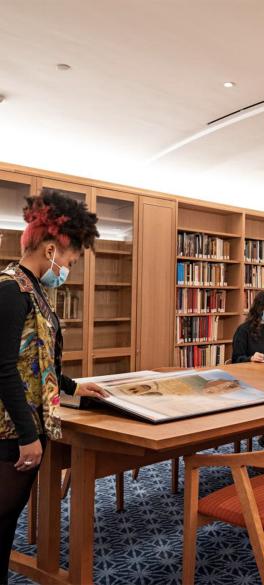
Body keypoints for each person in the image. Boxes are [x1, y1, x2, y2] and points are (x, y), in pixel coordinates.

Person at [0, 190, 107, 581]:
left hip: (28, 425)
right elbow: (4, 368)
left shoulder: (34, 290)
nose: (67, 270)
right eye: (70, 261)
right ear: (50, 250)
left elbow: (38, 360)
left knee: (7, 520)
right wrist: (28, 436)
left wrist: (74, 387)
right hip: (11, 431)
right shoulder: (11, 291)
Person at [232, 291, 264, 363]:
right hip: (250, 369)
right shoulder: (243, 330)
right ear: (258, 309)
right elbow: (236, 359)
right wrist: (251, 358)